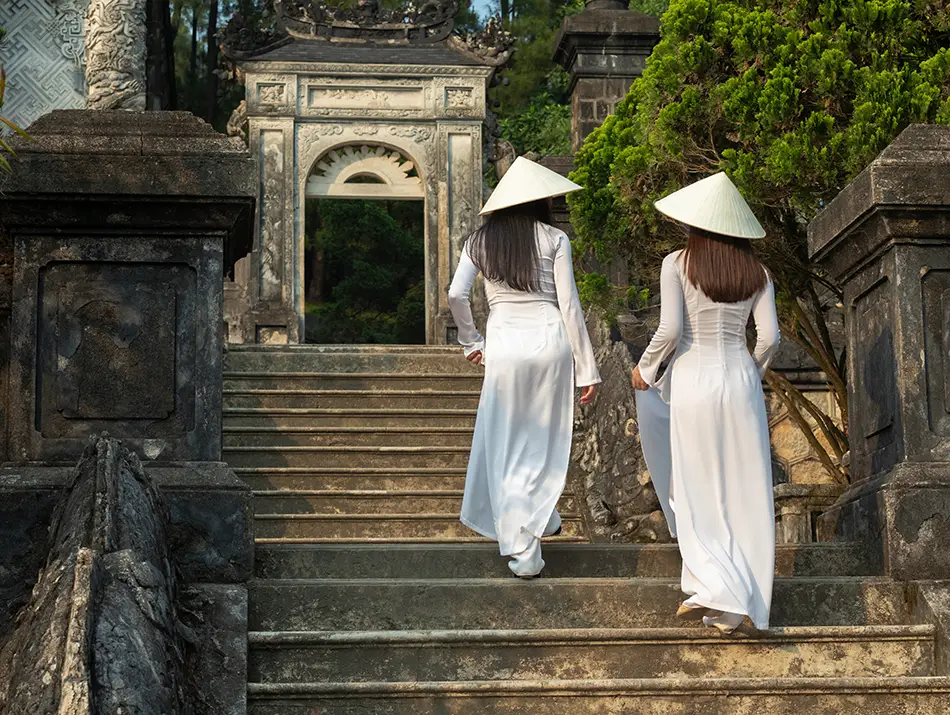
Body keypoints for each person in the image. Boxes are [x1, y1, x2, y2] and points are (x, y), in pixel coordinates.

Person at [631, 172, 780, 634]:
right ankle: (739, 600)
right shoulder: (757, 272)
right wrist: (749, 374)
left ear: (694, 222)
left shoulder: (677, 262)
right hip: (739, 378)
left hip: (694, 378)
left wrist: (645, 368)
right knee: (744, 485)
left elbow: (672, 330)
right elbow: (771, 338)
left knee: (697, 481)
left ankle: (715, 585)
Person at [448, 156, 601, 578]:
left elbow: (456, 296)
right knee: (542, 439)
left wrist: (470, 341)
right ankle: (536, 525)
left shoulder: (479, 242)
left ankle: (525, 543)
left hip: (505, 347)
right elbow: (569, 305)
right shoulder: (555, 238)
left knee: (509, 441)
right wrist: (587, 369)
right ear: (540, 201)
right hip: (551, 342)